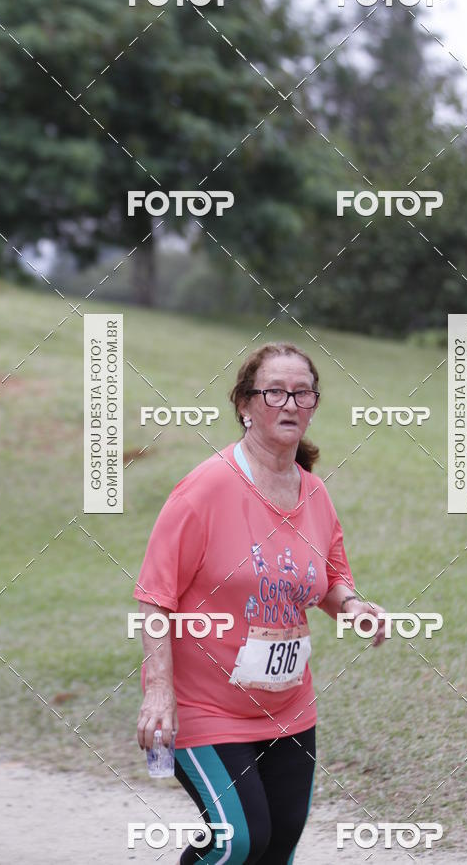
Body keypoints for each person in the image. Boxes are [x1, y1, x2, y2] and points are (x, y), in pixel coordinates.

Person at [134, 341, 387, 864]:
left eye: (302, 393)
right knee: (237, 841)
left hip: (289, 709)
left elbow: (331, 580)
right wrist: (157, 693)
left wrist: (354, 607)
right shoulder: (204, 490)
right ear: (245, 405)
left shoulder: (316, 494)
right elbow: (155, 600)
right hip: (208, 710)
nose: (290, 404)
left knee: (277, 852)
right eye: (274, 392)